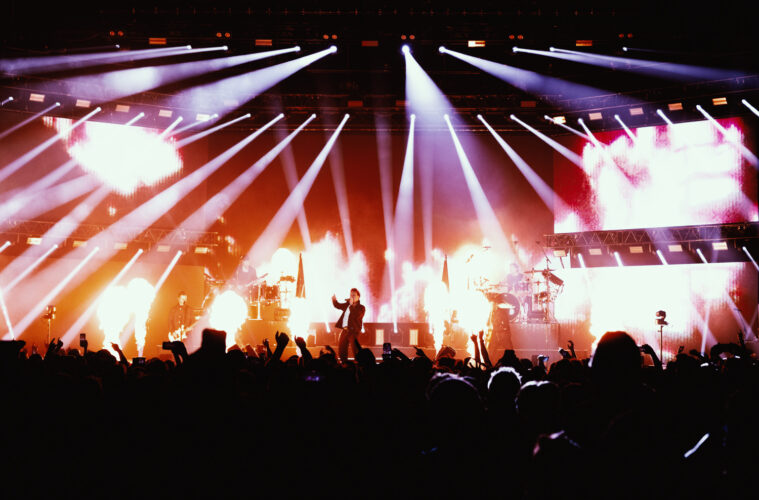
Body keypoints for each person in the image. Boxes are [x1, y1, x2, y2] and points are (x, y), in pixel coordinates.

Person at [331, 288, 365, 363]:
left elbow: (356, 315)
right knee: (342, 347)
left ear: (358, 296)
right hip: (345, 330)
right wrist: (334, 300)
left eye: (354, 295)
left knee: (355, 348)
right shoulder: (347, 305)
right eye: (351, 295)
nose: (352, 297)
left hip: (354, 331)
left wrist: (351, 305)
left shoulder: (361, 307)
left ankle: (358, 363)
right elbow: (338, 305)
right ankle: (344, 362)